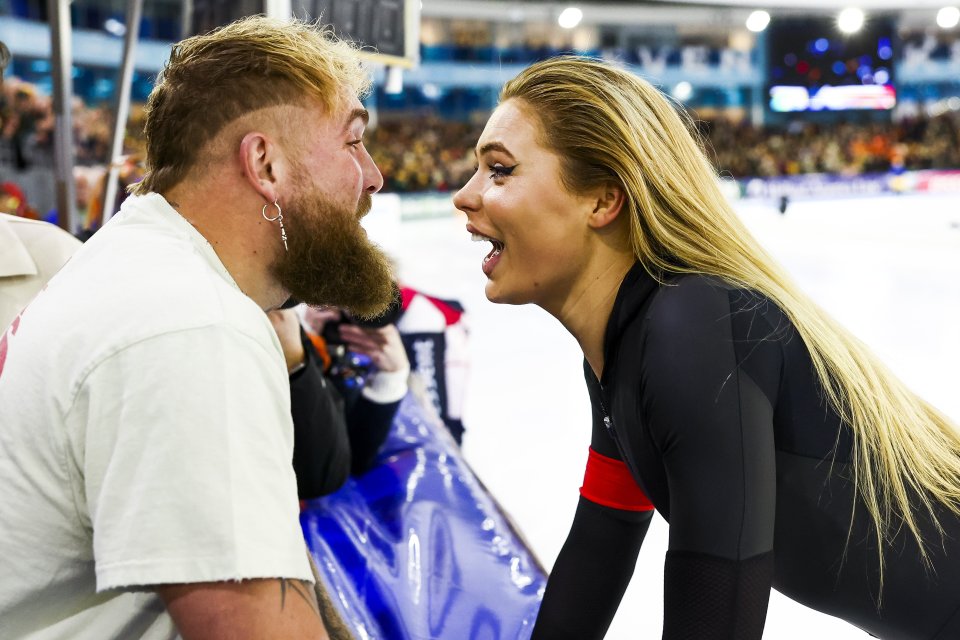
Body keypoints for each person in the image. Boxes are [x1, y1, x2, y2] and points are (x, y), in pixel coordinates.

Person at [453, 56, 960, 640]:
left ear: (602, 200)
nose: (464, 197)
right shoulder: (623, 351)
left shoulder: (693, 330)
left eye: (499, 170)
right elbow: (603, 541)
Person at [0, 16, 395, 639]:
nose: (372, 175)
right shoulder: (192, 326)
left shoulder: (140, 270)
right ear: (264, 163)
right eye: (352, 143)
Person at [269, 304, 409, 499]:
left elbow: (348, 462)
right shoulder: (278, 316)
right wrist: (299, 333)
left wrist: (391, 377)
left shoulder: (346, 358)